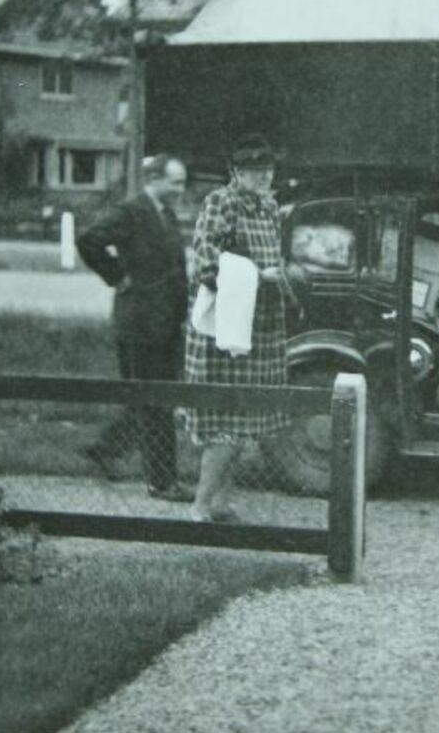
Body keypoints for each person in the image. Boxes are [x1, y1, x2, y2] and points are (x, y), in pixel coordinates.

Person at [184, 133, 292, 522]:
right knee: (225, 424)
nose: (264, 176)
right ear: (236, 171)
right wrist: (257, 275)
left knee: (246, 421)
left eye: (268, 168)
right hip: (226, 326)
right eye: (254, 169)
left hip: (261, 325)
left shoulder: (269, 206)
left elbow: (272, 254)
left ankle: (221, 502)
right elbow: (206, 263)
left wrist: (281, 276)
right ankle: (200, 505)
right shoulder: (221, 202)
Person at [76, 154, 191, 501]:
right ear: (154, 179)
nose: (182, 189)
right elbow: (88, 240)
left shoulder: (166, 214)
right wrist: (117, 276)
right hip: (139, 323)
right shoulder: (131, 211)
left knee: (148, 399)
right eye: (176, 182)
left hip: (165, 323)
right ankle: (162, 482)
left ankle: (105, 451)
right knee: (155, 403)